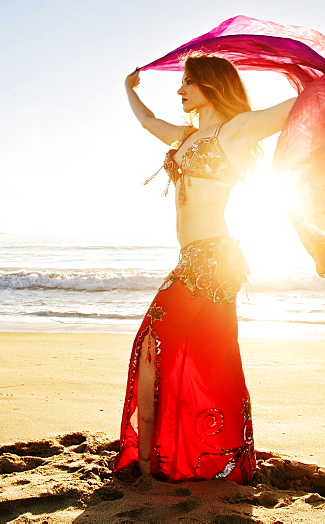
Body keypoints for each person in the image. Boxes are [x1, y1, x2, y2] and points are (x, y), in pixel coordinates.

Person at [113, 54, 296, 484]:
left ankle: (151, 464)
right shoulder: (187, 135)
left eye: (187, 83)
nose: (180, 91)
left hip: (212, 260)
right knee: (209, 358)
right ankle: (192, 458)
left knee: (152, 343)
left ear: (211, 85)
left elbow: (292, 110)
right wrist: (128, 88)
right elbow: (146, 121)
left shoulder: (236, 131)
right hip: (191, 258)